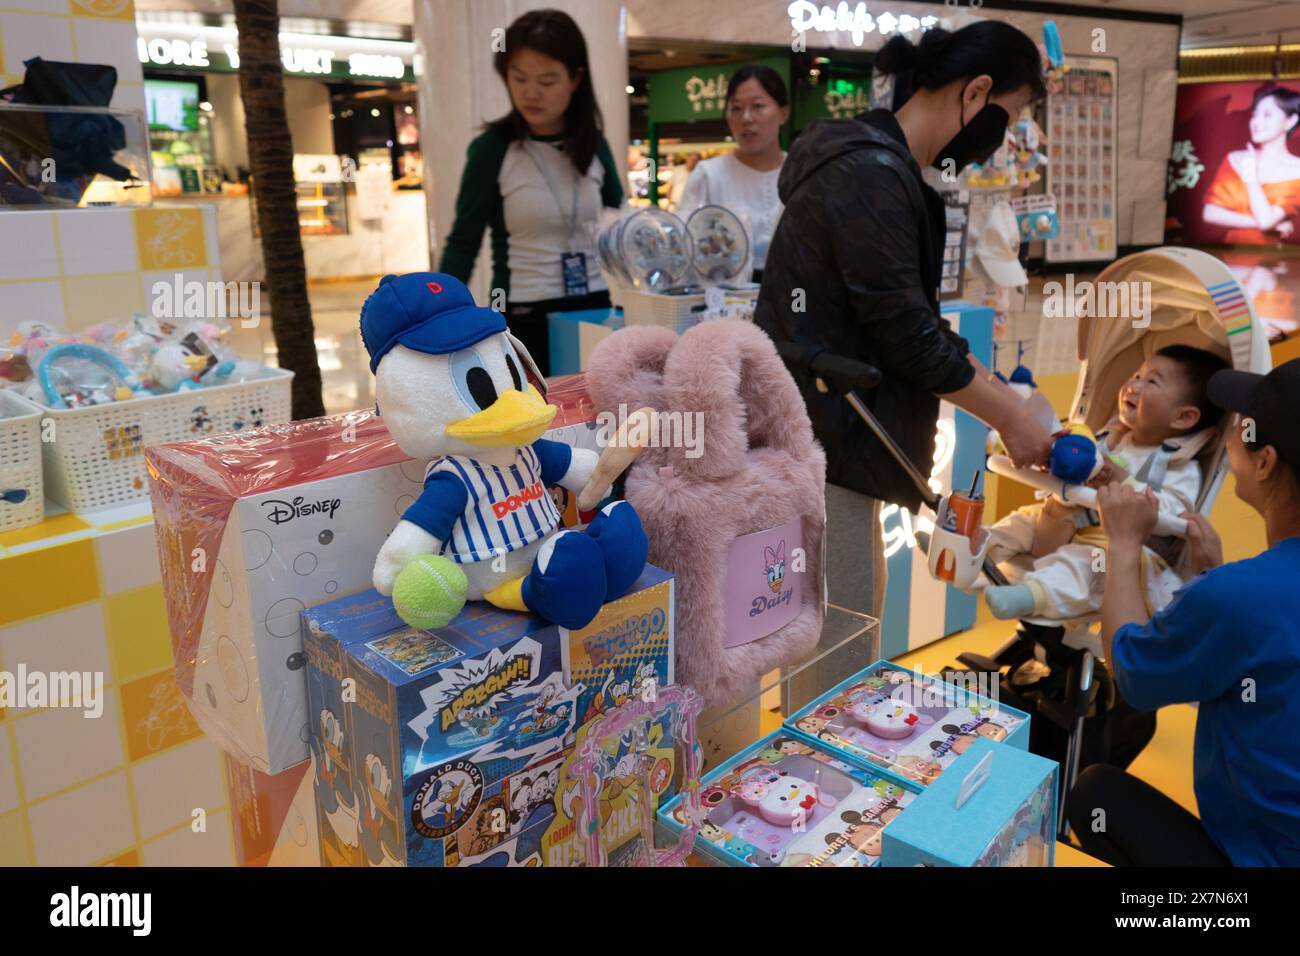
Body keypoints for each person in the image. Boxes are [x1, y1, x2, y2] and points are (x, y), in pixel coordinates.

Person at [754, 22, 1054, 616]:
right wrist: (1012, 419)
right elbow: (909, 338)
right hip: (825, 449)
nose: (1006, 137)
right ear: (976, 92)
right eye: (1013, 114)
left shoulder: (879, 166)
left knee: (843, 615)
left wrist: (1006, 403)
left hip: (829, 441)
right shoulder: (870, 174)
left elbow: (917, 320)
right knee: (838, 631)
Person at [1069, 359, 1300, 866]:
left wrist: (1123, 544)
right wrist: (1215, 576)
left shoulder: (1237, 596)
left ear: (1265, 462)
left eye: (1240, 427)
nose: (1229, 435)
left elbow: (1131, 671)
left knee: (1094, 794)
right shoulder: (1239, 593)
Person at [438, 9, 622, 376]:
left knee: (594, 407)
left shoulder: (593, 145)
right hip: (520, 309)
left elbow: (617, 218)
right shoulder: (493, 148)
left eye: (547, 81)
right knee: (530, 408)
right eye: (519, 78)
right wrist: (440, 316)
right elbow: (463, 242)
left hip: (593, 304)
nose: (530, 93)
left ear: (576, 79)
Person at [984, 346, 1228, 620]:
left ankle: (1031, 595)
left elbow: (1171, 515)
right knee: (1019, 523)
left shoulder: (1178, 466)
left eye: (1151, 382)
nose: (1133, 385)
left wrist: (1118, 478)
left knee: (1087, 566)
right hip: (1063, 520)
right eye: (1136, 375)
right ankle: (977, 552)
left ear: (1183, 417)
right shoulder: (1110, 438)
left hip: (1114, 547)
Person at [678, 65, 790, 282]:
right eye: (736, 108)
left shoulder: (803, 174)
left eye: (758, 106)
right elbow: (686, 253)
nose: (746, 118)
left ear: (783, 113)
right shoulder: (708, 176)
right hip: (723, 296)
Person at [1202, 85, 1300, 243]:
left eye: (1267, 115)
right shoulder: (1235, 159)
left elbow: (1265, 221)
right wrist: (1272, 225)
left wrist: (1251, 176)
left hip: (1273, 256)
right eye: (1255, 114)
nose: (1256, 122)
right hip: (1232, 254)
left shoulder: (1297, 170)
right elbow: (1210, 213)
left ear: (1291, 120)